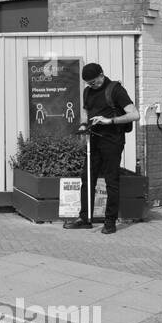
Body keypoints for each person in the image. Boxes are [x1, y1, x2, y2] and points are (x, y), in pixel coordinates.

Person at [63, 62, 139, 235]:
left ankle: (110, 222)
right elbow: (85, 111)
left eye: (94, 82)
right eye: (89, 83)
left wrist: (109, 120)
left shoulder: (116, 90)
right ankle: (85, 219)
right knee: (87, 178)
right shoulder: (88, 91)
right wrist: (83, 124)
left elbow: (134, 114)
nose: (92, 85)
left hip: (112, 140)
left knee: (112, 180)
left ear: (102, 74)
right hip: (94, 141)